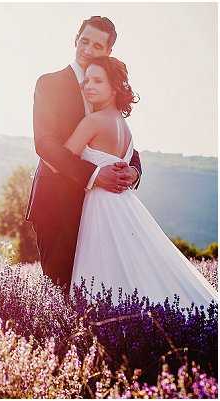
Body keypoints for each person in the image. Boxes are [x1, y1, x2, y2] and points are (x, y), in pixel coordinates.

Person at [67, 56, 217, 307]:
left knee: (101, 274)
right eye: (86, 80)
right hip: (124, 204)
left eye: (97, 81)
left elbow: (62, 158)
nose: (88, 86)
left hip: (100, 205)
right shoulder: (124, 126)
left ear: (115, 87)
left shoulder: (92, 121)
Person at [25, 16, 142, 294]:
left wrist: (135, 171)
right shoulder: (50, 83)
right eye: (84, 41)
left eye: (97, 45)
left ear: (108, 52)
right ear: (75, 40)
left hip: (100, 210)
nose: (88, 49)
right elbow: (45, 143)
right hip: (56, 203)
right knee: (62, 290)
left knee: (102, 290)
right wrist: (93, 175)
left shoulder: (107, 92)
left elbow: (125, 143)